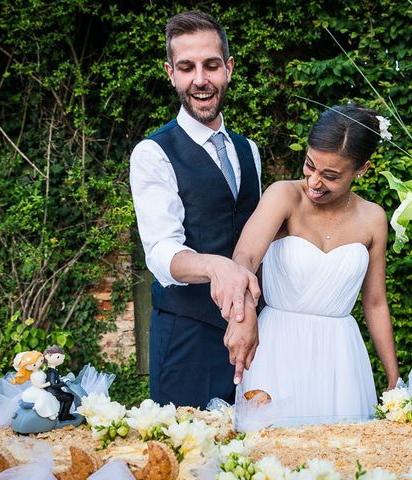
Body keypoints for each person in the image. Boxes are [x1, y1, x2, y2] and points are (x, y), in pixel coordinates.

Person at [234, 103, 400, 420]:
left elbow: (376, 302)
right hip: (276, 349)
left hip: (340, 358)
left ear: (361, 170)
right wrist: (241, 318)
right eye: (310, 165)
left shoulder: (374, 218)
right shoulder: (283, 196)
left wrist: (393, 374)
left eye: (330, 175)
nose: (314, 182)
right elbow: (245, 257)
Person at [130, 11, 262, 408]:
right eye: (187, 67)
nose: (200, 80)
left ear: (229, 69)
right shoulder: (153, 153)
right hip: (187, 342)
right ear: (171, 73)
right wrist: (216, 266)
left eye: (211, 65)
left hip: (253, 338)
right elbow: (161, 252)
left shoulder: (248, 150)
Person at [19, 351, 61, 420]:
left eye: (40, 360)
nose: (38, 364)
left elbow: (46, 378)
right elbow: (38, 386)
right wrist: (48, 384)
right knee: (44, 398)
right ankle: (48, 413)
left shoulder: (41, 372)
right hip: (37, 390)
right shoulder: (32, 376)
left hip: (43, 389)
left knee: (51, 397)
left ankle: (54, 411)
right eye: (33, 365)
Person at [43, 345, 75, 421]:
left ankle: (64, 413)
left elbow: (55, 381)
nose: (61, 360)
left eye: (62, 358)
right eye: (58, 357)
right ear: (47, 357)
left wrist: (61, 379)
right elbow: (53, 385)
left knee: (69, 396)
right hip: (53, 393)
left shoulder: (54, 371)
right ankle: (63, 416)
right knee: (69, 397)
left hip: (55, 391)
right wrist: (64, 382)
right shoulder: (51, 373)